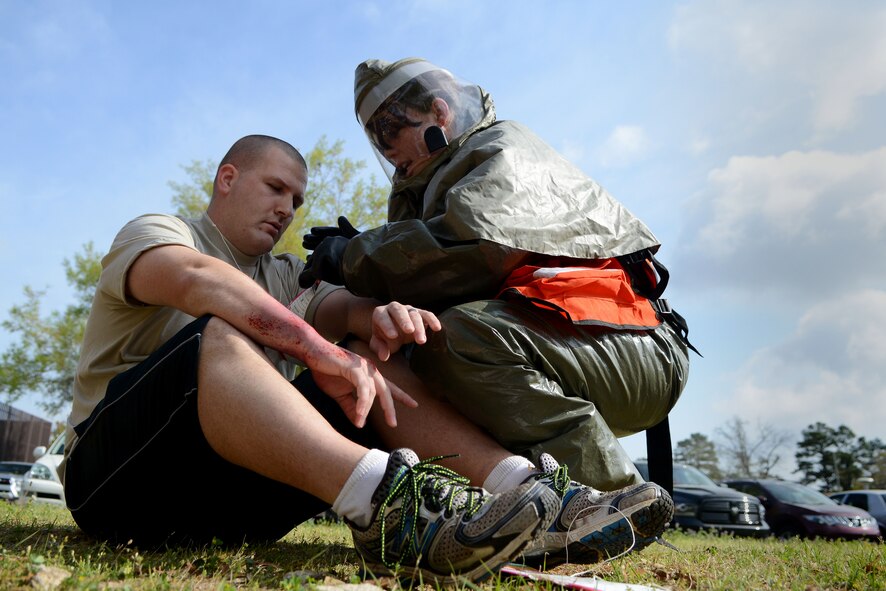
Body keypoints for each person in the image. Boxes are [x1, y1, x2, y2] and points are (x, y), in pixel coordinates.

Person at [61, 134, 672, 582]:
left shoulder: (281, 274)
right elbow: (199, 282)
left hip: (227, 504)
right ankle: (399, 510)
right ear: (227, 178)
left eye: (296, 201)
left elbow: (344, 310)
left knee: (369, 357)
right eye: (274, 188)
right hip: (116, 484)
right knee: (223, 333)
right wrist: (315, 348)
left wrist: (381, 317)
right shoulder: (158, 233)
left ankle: (532, 501)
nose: (286, 209)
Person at [299, 58, 694, 493]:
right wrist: (371, 255)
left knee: (456, 337)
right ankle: (502, 501)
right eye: (378, 139)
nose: (390, 154)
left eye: (393, 132)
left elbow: (471, 247)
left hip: (633, 344)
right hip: (576, 338)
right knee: (407, 345)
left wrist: (355, 256)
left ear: (439, 113)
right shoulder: (439, 181)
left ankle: (612, 502)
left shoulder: (502, 146)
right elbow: (440, 259)